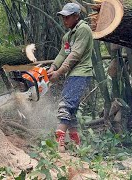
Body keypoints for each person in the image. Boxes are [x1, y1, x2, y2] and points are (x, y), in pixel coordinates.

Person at [47, 3, 93, 153]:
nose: (64, 20)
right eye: (63, 17)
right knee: (71, 111)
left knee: (65, 106)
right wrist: (53, 67)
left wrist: (59, 73)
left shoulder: (84, 30)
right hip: (72, 74)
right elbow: (63, 54)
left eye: (67, 17)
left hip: (81, 73)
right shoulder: (67, 36)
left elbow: (75, 55)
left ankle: (58, 145)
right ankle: (75, 145)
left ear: (76, 16)